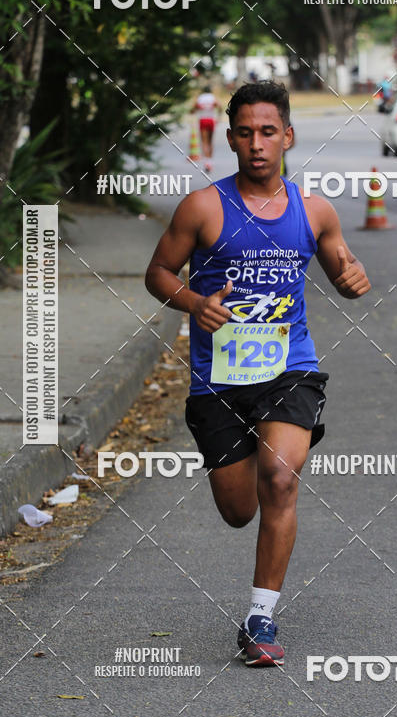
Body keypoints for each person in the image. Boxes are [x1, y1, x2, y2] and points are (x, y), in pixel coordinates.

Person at [145, 81, 371, 667]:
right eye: (245, 133)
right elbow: (160, 273)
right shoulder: (202, 207)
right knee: (238, 509)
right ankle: (242, 498)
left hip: (289, 368)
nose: (257, 144)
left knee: (281, 479)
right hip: (217, 379)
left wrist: (351, 280)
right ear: (231, 139)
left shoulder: (314, 210)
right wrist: (193, 302)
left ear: (288, 136)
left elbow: (343, 268)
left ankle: (260, 617)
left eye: (268, 132)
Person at [191, 84, 219, 172]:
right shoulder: (212, 97)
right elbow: (219, 106)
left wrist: (194, 110)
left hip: (203, 119)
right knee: (210, 141)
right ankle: (210, 161)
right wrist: (219, 117)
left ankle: (206, 162)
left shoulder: (200, 98)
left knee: (204, 142)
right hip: (211, 119)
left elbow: (194, 108)